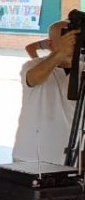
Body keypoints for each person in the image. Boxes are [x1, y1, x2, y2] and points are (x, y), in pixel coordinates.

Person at [14, 20, 76, 163]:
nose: (71, 43)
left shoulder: (81, 70)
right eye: (65, 38)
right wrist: (60, 53)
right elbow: (34, 78)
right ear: (50, 44)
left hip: (71, 160)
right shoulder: (32, 65)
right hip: (31, 158)